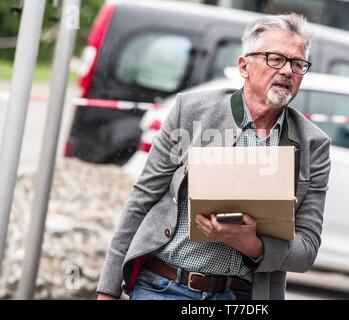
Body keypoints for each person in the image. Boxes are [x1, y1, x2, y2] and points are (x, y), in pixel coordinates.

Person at [97, 13, 331, 300]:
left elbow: (306, 250)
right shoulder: (191, 110)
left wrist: (252, 244)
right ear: (244, 66)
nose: (286, 71)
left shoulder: (313, 144)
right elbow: (141, 199)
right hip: (163, 286)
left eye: (297, 64)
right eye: (275, 59)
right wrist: (107, 289)